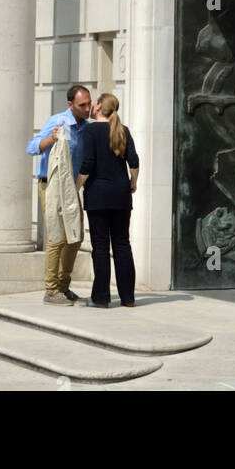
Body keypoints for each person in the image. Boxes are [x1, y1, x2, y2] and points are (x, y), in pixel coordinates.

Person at [26, 84, 91, 304]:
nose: (87, 108)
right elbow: (32, 147)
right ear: (70, 105)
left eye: (89, 103)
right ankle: (51, 290)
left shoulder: (87, 127)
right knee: (57, 237)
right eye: (82, 105)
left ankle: (64, 287)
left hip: (71, 189)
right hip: (51, 186)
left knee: (76, 237)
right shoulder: (57, 122)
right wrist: (51, 139)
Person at [76, 93, 139, 308]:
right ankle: (128, 298)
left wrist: (75, 188)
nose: (92, 106)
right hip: (121, 195)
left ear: (100, 105)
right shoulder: (124, 130)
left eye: (95, 103)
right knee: (122, 244)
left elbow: (88, 165)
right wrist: (133, 183)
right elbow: (134, 161)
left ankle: (101, 298)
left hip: (98, 196)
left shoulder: (91, 130)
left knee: (101, 247)